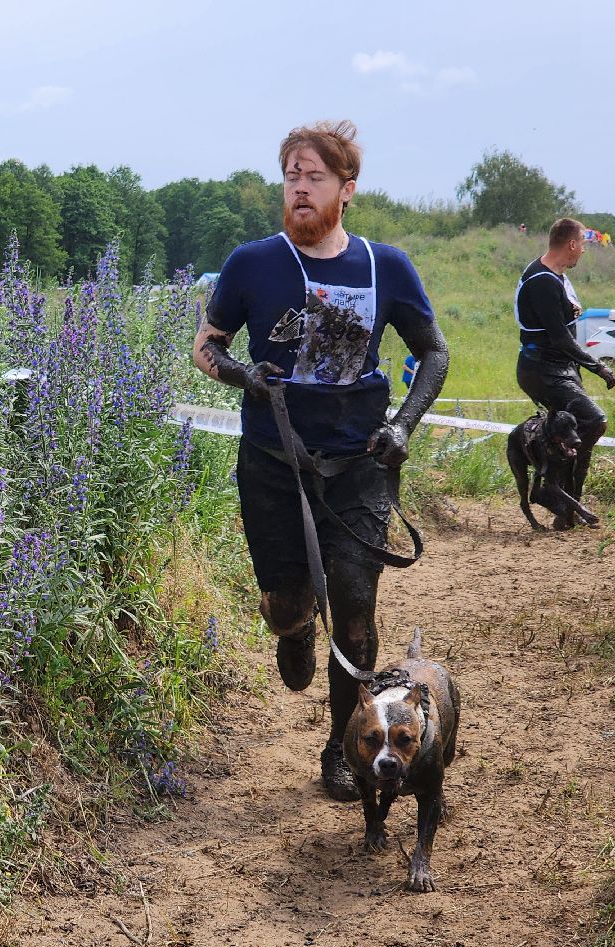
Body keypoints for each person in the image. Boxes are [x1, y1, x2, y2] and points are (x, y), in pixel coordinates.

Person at [191, 120, 449, 801]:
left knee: (356, 612)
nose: (300, 189)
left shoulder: (385, 266)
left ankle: (342, 748)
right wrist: (241, 375)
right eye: (291, 178)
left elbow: (434, 351)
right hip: (273, 462)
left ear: (346, 189)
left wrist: (402, 425)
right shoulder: (253, 263)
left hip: (358, 465)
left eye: (314, 178)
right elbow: (208, 344)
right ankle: (296, 624)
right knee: (284, 604)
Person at [514, 218, 615, 528]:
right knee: (594, 421)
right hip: (542, 370)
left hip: (562, 368)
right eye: (582, 243)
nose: (583, 250)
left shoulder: (557, 277)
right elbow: (560, 338)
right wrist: (598, 366)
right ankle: (554, 492)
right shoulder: (541, 281)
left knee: (571, 433)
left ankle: (566, 509)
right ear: (571, 244)